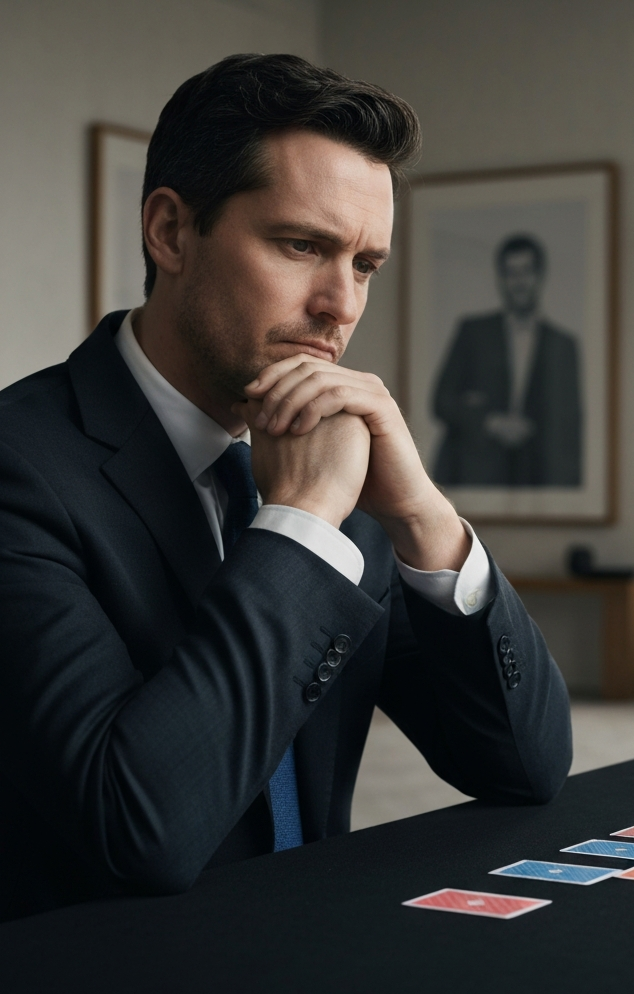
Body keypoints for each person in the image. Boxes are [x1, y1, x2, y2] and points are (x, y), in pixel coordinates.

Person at [0, 54, 572, 922]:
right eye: (302, 245)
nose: (340, 304)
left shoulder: (344, 468)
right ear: (170, 232)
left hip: (310, 956)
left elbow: (523, 766)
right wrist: (299, 525)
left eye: (366, 264)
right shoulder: (21, 465)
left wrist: (423, 516)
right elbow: (136, 829)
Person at [432, 235, 582, 487]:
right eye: (511, 273)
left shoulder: (563, 345)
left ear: (539, 275)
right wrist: (491, 423)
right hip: (473, 477)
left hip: (537, 479)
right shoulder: (472, 332)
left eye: (526, 271)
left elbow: (570, 425)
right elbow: (441, 401)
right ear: (500, 279)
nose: (519, 282)